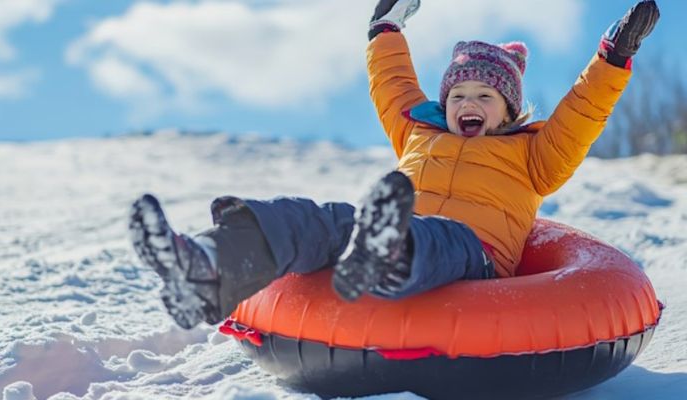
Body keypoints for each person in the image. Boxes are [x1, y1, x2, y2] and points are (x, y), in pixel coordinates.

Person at [129, 0, 659, 330]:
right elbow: (393, 84)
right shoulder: (418, 131)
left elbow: (581, 114)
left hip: (469, 253)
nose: (467, 104)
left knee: (434, 237)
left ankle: (385, 252)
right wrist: (385, 28)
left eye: (484, 95)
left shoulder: (533, 154)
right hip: (388, 224)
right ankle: (204, 264)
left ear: (510, 109)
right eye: (458, 94)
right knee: (318, 218)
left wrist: (613, 57)